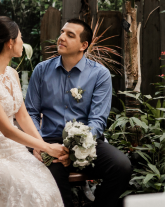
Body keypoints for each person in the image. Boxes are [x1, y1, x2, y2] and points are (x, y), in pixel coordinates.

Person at [25, 18, 132, 207]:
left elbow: (97, 121)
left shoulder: (100, 74)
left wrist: (76, 149)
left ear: (84, 45)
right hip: (50, 143)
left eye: (69, 35)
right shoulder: (41, 70)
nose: (61, 38)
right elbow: (31, 112)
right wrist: (39, 144)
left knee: (121, 166)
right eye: (62, 32)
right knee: (55, 181)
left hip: (86, 142)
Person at [0, 16, 66, 207]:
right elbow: (8, 130)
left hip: (13, 149)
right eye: (20, 37)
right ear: (10, 42)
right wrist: (48, 147)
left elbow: (21, 115)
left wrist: (39, 145)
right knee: (27, 191)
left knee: (47, 186)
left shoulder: (12, 73)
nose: (23, 41)